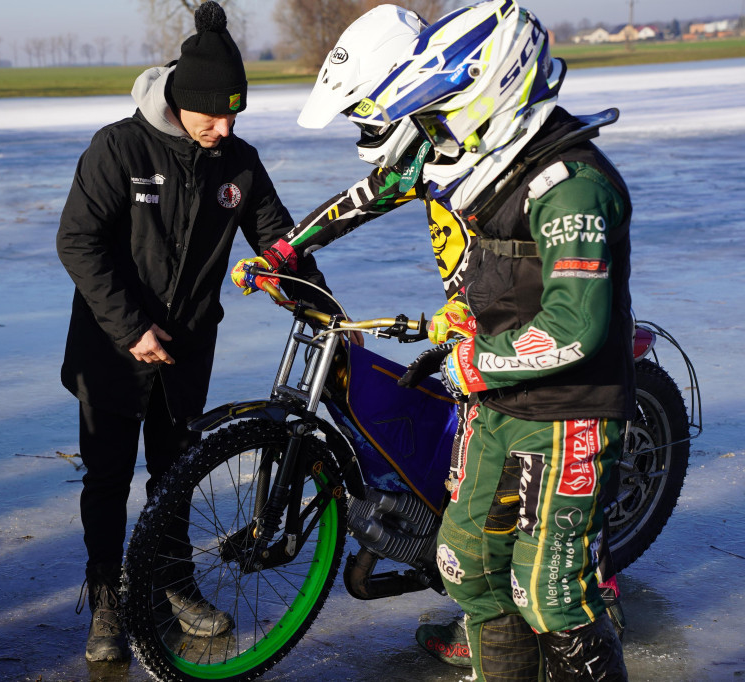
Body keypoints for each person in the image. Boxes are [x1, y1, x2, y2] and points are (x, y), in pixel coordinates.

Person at [233, 2, 631, 679]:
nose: (426, 130)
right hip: (483, 347)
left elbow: (574, 320)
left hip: (544, 381)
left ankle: (584, 605)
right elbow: (364, 195)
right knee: (466, 555)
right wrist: (284, 250)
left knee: (554, 584)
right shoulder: (445, 154)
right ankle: (496, 636)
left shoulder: (561, 180)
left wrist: (477, 354)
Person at [56, 0, 332, 664]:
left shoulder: (236, 164)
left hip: (186, 351)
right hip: (112, 351)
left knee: (176, 473)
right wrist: (129, 327)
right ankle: (107, 601)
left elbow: (279, 243)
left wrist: (321, 309)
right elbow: (78, 242)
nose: (225, 124)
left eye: (235, 111)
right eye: (214, 112)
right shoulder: (118, 148)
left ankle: (172, 581)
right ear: (181, 99)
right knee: (107, 477)